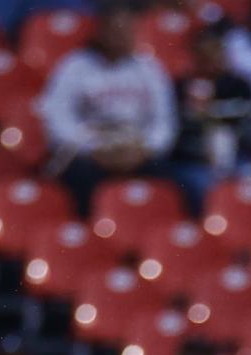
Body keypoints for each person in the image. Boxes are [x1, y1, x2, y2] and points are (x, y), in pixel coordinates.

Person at [37, 0, 177, 211]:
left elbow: (164, 121)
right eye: (115, 29)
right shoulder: (75, 66)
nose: (122, 36)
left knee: (172, 182)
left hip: (136, 148)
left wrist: (144, 149)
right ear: (101, 29)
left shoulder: (148, 68)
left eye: (128, 29)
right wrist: (93, 150)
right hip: (91, 150)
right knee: (79, 179)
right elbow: (57, 119)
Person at [167, 19, 251, 204]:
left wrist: (214, 116)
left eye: (216, 51)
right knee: (204, 186)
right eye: (205, 54)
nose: (211, 59)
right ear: (195, 55)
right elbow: (176, 131)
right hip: (195, 160)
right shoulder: (182, 86)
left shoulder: (240, 85)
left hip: (236, 157)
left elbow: (250, 128)